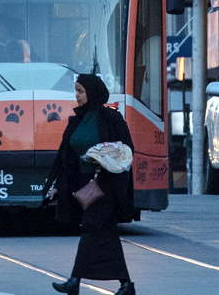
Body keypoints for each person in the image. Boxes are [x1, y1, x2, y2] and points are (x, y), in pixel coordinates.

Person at [45, 74, 135, 295]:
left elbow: (126, 149)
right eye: (75, 91)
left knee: (91, 228)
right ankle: (126, 284)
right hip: (85, 185)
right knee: (107, 233)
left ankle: (74, 281)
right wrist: (57, 185)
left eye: (81, 91)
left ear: (92, 92)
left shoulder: (110, 118)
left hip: (106, 184)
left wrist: (102, 156)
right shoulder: (76, 120)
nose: (77, 96)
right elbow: (66, 157)